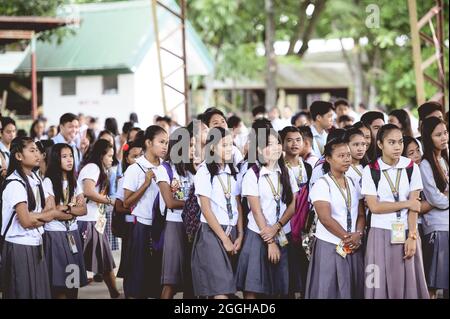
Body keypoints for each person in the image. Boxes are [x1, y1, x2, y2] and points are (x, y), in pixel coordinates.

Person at [361, 124, 429, 299]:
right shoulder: (370, 170)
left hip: (407, 231)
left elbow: (415, 208)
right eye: (391, 142)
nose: (398, 147)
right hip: (379, 233)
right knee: (377, 282)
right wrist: (406, 203)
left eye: (400, 142)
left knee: (409, 283)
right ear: (380, 144)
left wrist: (413, 236)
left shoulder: (411, 167)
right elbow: (375, 207)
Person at [237, 127, 298, 298]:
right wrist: (270, 241)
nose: (277, 147)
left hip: (281, 234)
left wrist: (277, 227)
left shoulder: (286, 172)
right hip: (258, 235)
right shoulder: (252, 174)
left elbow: (293, 205)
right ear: (259, 150)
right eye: (270, 144)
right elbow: (256, 211)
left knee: (280, 287)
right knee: (254, 288)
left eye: (278, 143)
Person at [1, 137, 63, 299]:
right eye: (32, 150)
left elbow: (48, 208)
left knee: (38, 292)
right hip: (19, 246)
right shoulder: (15, 183)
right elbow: (27, 221)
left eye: (37, 150)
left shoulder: (36, 179)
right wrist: (52, 214)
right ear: (19, 156)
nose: (37, 154)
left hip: (35, 242)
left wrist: (45, 214)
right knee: (22, 292)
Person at [306, 137, 365, 299]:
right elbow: (325, 219)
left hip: (353, 245)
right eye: (341, 156)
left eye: (348, 155)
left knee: (353, 289)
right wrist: (348, 237)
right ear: (328, 159)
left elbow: (361, 214)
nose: (347, 159)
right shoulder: (322, 184)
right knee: (328, 290)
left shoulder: (353, 182)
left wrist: (358, 234)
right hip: (331, 244)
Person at [191, 127, 244, 299]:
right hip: (212, 234)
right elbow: (206, 210)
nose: (229, 149)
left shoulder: (231, 170)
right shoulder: (204, 171)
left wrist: (240, 234)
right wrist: (224, 239)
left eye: (230, 145)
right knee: (219, 290)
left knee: (229, 289)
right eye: (224, 145)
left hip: (233, 232)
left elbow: (237, 204)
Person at [122, 125, 168, 299]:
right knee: (139, 275)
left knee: (158, 275)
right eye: (161, 142)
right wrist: (146, 184)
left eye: (167, 142)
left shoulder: (166, 167)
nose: (165, 146)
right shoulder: (135, 168)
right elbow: (126, 202)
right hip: (142, 226)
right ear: (148, 143)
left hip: (162, 226)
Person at [42, 143, 88, 299]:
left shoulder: (73, 180)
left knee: (72, 282)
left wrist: (66, 209)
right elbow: (52, 213)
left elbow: (83, 210)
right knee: (60, 283)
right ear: (56, 159)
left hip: (72, 233)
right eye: (64, 156)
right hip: (55, 234)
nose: (70, 160)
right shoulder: (48, 181)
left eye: (71, 156)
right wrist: (69, 211)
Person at [156, 127, 197, 299]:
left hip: (193, 226)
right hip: (174, 225)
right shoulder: (164, 170)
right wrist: (193, 204)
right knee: (171, 280)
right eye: (191, 146)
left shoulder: (193, 170)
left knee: (192, 280)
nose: (194, 150)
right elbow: (170, 202)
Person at [77, 139, 120, 298]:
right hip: (87, 220)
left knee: (105, 260)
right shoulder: (92, 168)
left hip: (94, 219)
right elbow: (88, 191)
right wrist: (109, 200)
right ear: (101, 155)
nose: (111, 159)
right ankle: (114, 293)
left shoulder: (98, 169)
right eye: (109, 156)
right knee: (104, 261)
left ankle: (114, 292)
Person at [419, 117, 449, 299]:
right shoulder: (425, 164)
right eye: (438, 135)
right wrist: (446, 197)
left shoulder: (444, 159)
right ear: (428, 138)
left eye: (445, 132)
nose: (444, 137)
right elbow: (435, 198)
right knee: (434, 282)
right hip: (437, 227)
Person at [112, 140, 142, 296]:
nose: (138, 159)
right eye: (134, 156)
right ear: (127, 159)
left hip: (146, 225)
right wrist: (137, 208)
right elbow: (118, 206)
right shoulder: (125, 178)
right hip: (131, 227)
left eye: (141, 155)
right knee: (130, 264)